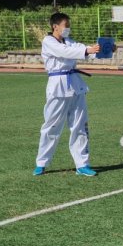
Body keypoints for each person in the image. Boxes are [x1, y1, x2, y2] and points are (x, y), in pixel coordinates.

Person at [33, 12, 101, 176]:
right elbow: (65, 52)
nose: (68, 29)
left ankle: (82, 164)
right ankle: (42, 162)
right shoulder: (48, 42)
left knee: (80, 125)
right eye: (66, 26)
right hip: (58, 85)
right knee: (52, 125)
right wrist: (87, 50)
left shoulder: (69, 41)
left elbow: (80, 49)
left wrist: (100, 50)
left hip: (75, 85)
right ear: (55, 27)